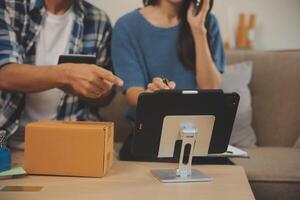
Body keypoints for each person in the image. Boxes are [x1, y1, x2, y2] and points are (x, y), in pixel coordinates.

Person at [0, 0, 123, 149]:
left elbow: (104, 99)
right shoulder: (9, 6)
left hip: (71, 141)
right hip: (8, 140)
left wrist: (94, 88)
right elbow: (4, 74)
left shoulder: (98, 19)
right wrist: (65, 75)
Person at [112, 0, 225, 160]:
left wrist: (198, 30)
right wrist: (153, 97)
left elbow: (211, 88)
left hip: (199, 136)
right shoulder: (127, 26)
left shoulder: (206, 22)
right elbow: (132, 92)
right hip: (150, 136)